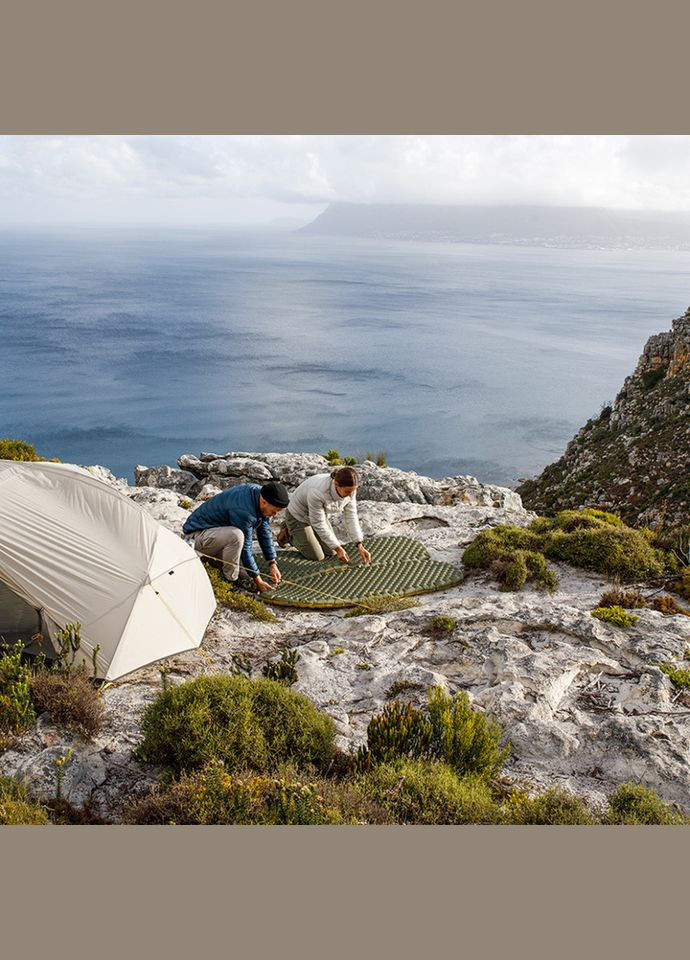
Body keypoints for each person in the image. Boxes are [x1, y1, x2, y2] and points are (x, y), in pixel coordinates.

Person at [182, 481, 289, 592]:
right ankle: (230, 581)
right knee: (236, 536)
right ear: (264, 502)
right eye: (274, 511)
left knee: (245, 571)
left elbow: (264, 530)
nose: (275, 515)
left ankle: (216, 562)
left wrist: (272, 563)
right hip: (197, 537)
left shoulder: (261, 494)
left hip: (217, 535)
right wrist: (259, 581)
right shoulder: (244, 510)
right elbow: (245, 548)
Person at [280, 466, 372, 565]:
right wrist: (339, 548)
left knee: (331, 551)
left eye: (353, 491)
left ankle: (308, 534)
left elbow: (351, 516)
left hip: (318, 516)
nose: (350, 495)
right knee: (317, 556)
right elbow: (319, 523)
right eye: (347, 492)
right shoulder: (318, 491)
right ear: (336, 484)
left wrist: (359, 544)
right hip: (298, 515)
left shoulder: (350, 489)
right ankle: (287, 533)